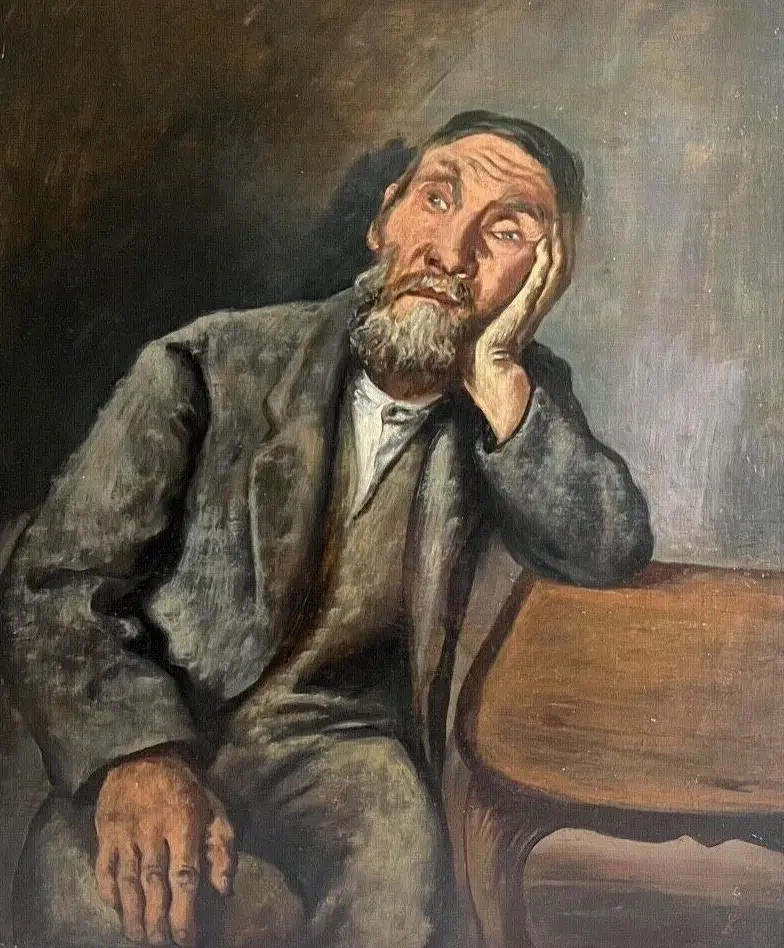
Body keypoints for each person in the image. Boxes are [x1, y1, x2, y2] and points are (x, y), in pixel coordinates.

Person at [0, 110, 653, 948]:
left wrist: (496, 374)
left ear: (544, 279)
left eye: (506, 232)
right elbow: (54, 581)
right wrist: (134, 755)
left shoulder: (515, 401)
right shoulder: (207, 364)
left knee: (399, 875)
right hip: (167, 721)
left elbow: (609, 545)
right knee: (94, 906)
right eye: (438, 199)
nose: (451, 254)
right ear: (384, 219)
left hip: (346, 753)